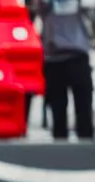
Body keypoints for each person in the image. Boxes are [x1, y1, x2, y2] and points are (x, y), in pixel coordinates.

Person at [38, 0, 93, 140]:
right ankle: (60, 148)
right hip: (53, 58)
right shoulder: (46, 4)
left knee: (84, 108)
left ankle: (86, 147)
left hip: (78, 56)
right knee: (58, 110)